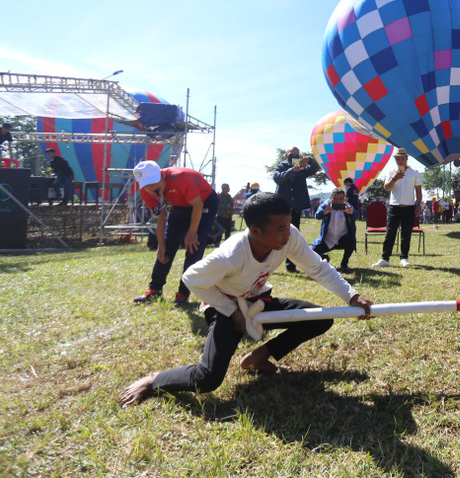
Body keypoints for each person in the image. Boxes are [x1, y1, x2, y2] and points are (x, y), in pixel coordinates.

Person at [119, 192, 373, 406]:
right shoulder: (230, 255)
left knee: (321, 318)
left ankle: (259, 358)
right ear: (255, 231)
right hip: (224, 307)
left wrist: (352, 295)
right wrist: (231, 310)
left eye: (288, 225)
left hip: (258, 301)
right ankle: (155, 380)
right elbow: (191, 278)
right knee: (206, 379)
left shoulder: (290, 235)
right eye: (280, 228)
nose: (288, 234)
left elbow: (317, 268)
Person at [132, 160, 220, 306]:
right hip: (178, 204)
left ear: (161, 174)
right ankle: (154, 289)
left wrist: (192, 232)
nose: (151, 187)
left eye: (154, 182)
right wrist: (160, 244)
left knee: (194, 246)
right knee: (167, 246)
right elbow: (158, 216)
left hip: (204, 203)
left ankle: (183, 293)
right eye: (147, 185)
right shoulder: (146, 191)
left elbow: (198, 205)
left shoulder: (181, 177)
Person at [372, 148, 422, 268]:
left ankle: (404, 258)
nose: (400, 161)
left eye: (402, 158)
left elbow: (419, 191)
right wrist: (395, 178)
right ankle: (385, 258)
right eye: (397, 159)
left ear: (406, 159)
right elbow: (387, 188)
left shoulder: (415, 172)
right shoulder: (391, 172)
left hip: (409, 207)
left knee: (406, 234)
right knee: (390, 233)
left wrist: (419, 205)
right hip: (394, 207)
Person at [273, 147, 320, 274]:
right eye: (292, 154)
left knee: (293, 234)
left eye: (297, 154)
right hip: (283, 205)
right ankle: (270, 261)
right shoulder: (281, 166)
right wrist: (292, 170)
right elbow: (277, 178)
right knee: (277, 233)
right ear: (286, 155)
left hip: (296, 206)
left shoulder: (303, 167)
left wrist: (310, 160)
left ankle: (291, 265)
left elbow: (316, 168)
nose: (295, 156)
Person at [311, 188, 357, 273]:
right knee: (312, 252)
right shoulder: (325, 205)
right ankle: (324, 258)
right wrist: (325, 212)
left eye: (340, 199)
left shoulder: (347, 205)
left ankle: (344, 264)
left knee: (351, 239)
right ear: (330, 198)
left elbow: (356, 215)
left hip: (342, 239)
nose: (338, 201)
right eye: (335, 199)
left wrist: (351, 212)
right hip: (327, 240)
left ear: (344, 199)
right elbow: (317, 215)